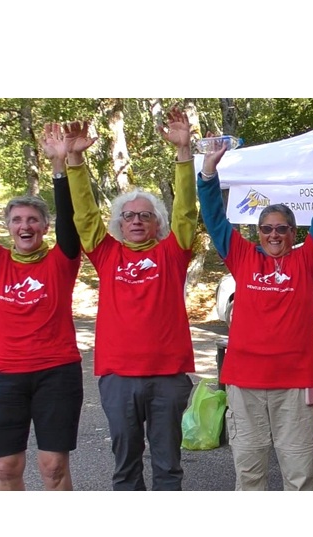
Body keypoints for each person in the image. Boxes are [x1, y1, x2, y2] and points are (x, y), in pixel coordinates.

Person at [196, 121, 313, 491]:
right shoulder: (243, 258)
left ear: (294, 234)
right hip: (245, 384)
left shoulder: (307, 261)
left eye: (282, 228)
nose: (274, 234)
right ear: (257, 233)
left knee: (300, 477)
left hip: (294, 384)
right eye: (267, 228)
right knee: (249, 475)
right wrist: (208, 173)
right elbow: (214, 219)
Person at [63, 107, 198, 491]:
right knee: (125, 467)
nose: (136, 220)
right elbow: (85, 218)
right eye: (128, 215)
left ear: (158, 223)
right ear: (118, 224)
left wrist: (184, 154)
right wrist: (74, 160)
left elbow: (187, 212)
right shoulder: (107, 255)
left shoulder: (172, 253)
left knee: (169, 466)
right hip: (119, 376)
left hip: (167, 377)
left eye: (145, 215)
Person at [0, 122, 83, 491]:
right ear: (9, 228)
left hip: (56, 373)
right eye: (17, 220)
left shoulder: (62, 260)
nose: (25, 225)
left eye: (33, 220)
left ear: (45, 227)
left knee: (53, 467)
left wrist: (60, 168)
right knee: (5, 468)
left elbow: (72, 220)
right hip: (2, 375)